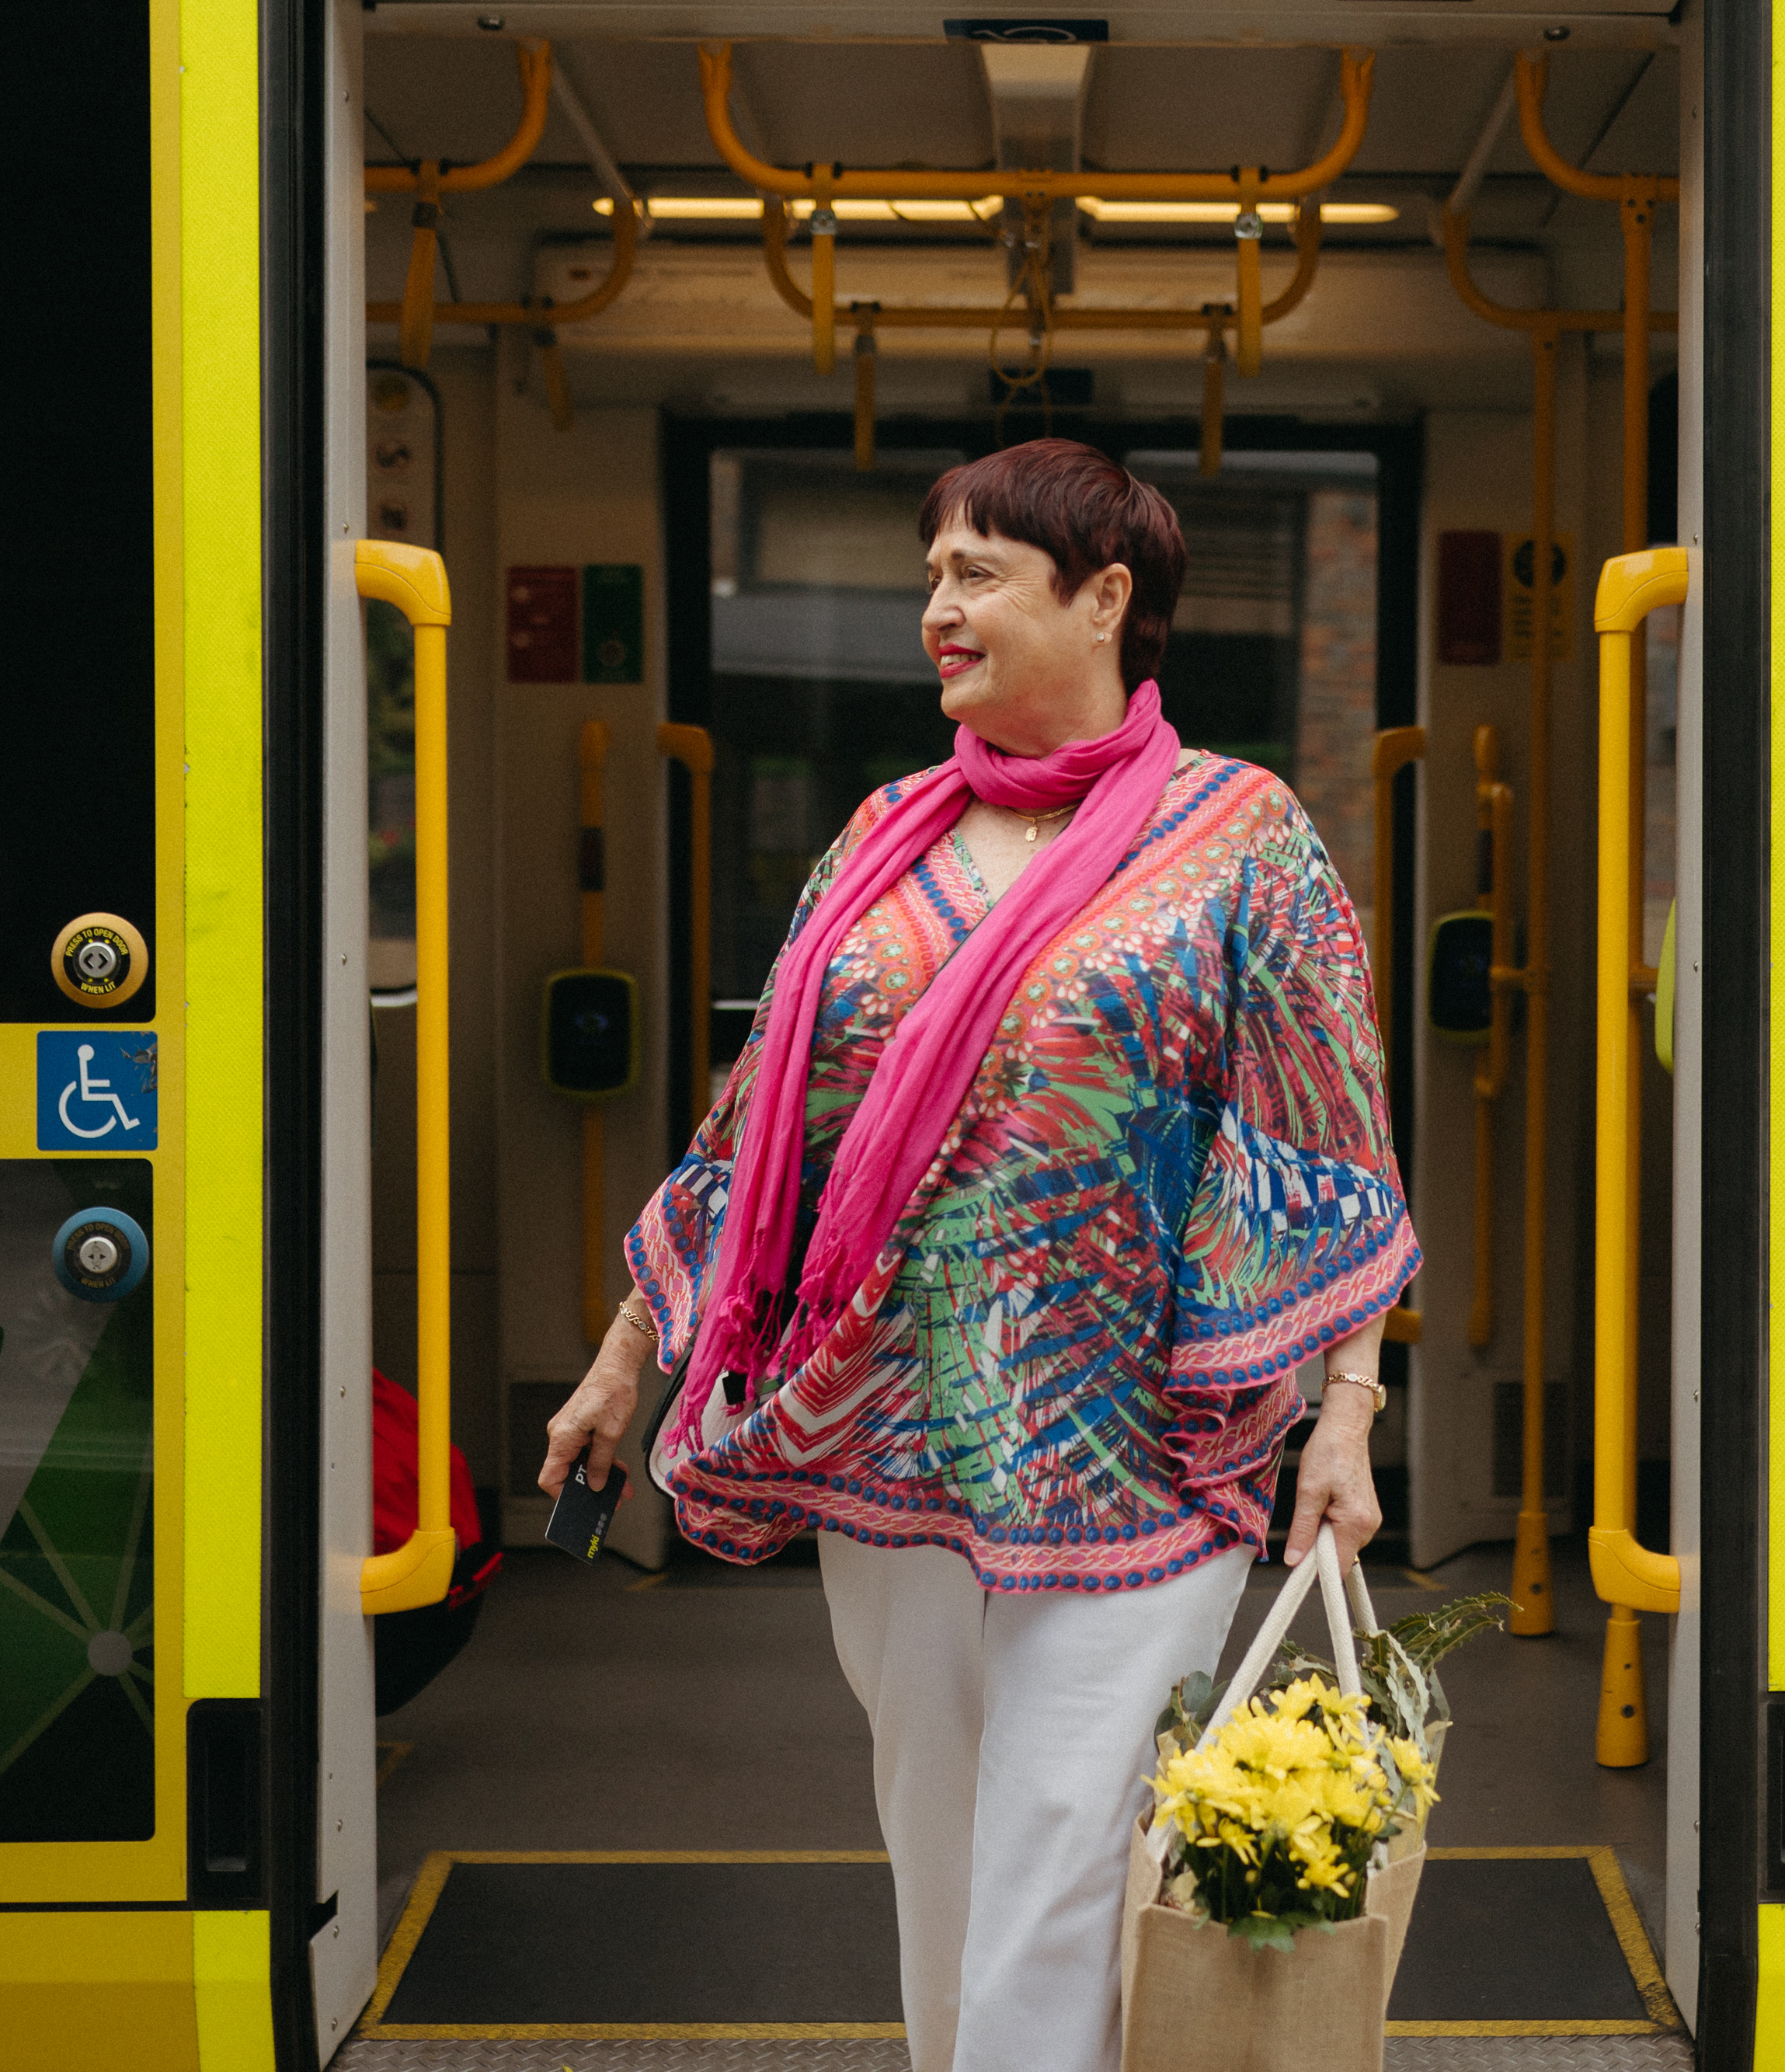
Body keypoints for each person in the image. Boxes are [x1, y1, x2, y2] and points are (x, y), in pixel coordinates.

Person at [537, 438, 1419, 2072]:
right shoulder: (883, 830)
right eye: (930, 572)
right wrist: (621, 1354)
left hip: (1131, 1453)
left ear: (1105, 599)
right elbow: (762, 1125)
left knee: (1055, 1866)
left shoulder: (1243, 834)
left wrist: (1347, 1408)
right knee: (941, 1868)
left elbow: (1329, 1143)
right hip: (889, 1438)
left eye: (977, 573)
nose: (935, 606)